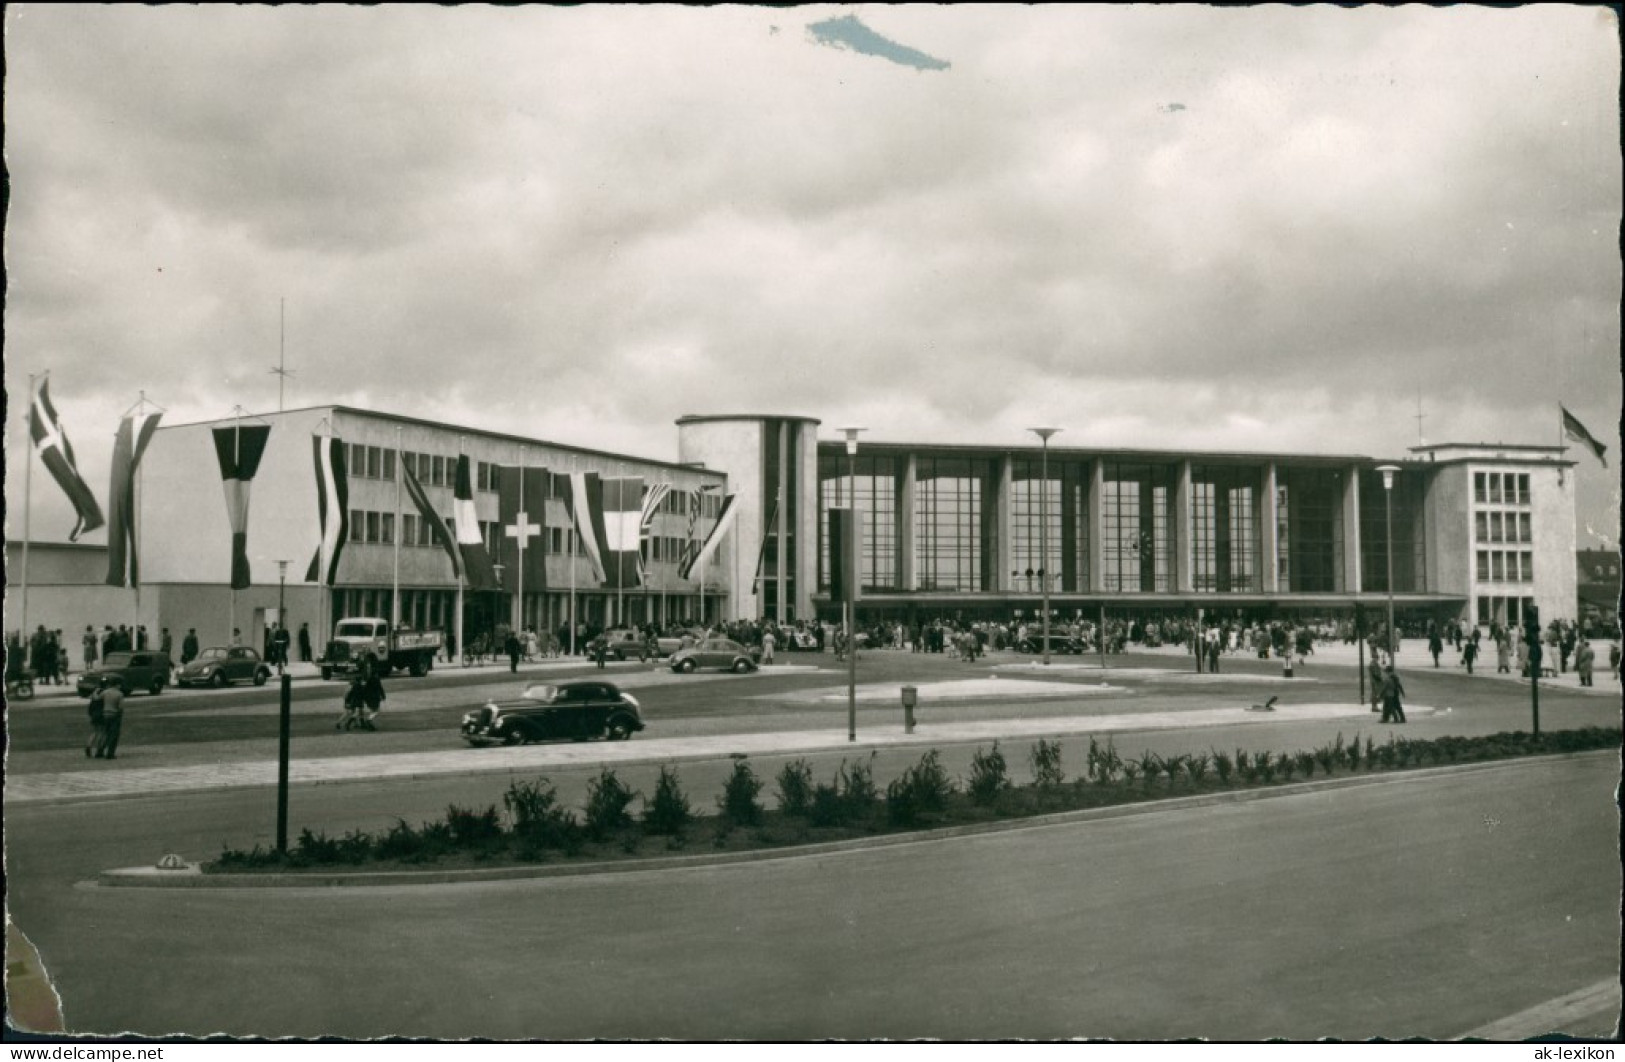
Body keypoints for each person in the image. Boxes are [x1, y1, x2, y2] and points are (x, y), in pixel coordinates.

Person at [95, 676, 127, 758]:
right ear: (117, 685)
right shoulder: (119, 694)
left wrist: (95, 691)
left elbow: (97, 698)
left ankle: (99, 751)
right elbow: (121, 707)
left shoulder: (105, 692)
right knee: (114, 735)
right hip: (114, 715)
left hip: (105, 714)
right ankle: (110, 753)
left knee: (105, 734)